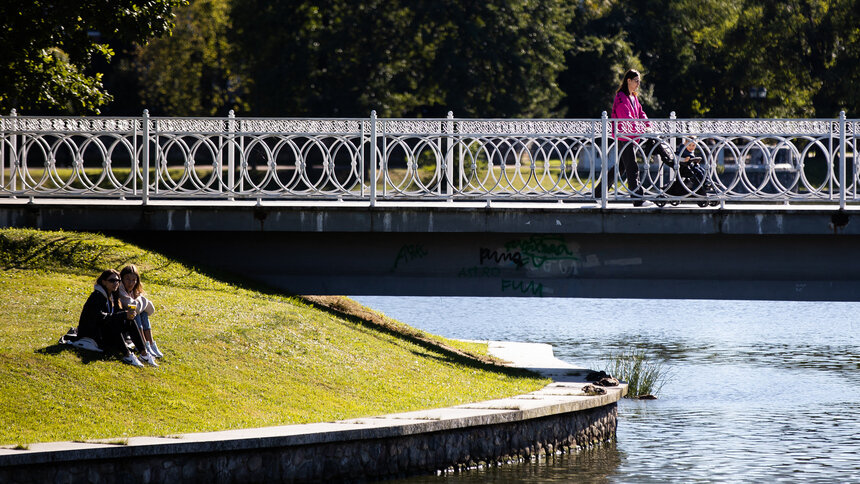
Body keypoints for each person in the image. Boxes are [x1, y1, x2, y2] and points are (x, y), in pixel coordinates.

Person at [76, 269, 158, 367]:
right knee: (114, 323)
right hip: (92, 333)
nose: (116, 283)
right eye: (112, 281)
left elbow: (116, 314)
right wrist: (123, 315)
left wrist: (127, 314)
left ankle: (144, 353)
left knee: (129, 321)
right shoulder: (97, 297)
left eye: (118, 281)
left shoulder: (113, 295)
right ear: (103, 282)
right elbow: (100, 317)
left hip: (103, 330)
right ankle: (127, 355)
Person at [606, 68, 654, 207]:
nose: (638, 84)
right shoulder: (621, 97)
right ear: (628, 80)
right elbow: (627, 118)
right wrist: (642, 127)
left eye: (639, 81)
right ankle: (638, 200)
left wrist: (647, 125)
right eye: (636, 81)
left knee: (620, 168)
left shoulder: (633, 97)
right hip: (624, 136)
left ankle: (598, 193)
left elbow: (641, 113)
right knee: (632, 168)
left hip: (632, 137)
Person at [117, 264, 164, 358]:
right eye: (127, 279)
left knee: (144, 313)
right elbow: (136, 308)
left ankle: (150, 344)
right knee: (137, 313)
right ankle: (142, 345)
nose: (131, 283)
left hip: (131, 321)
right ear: (122, 279)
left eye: (134, 280)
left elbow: (151, 310)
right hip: (122, 322)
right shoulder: (120, 290)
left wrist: (140, 301)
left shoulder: (134, 291)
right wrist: (142, 301)